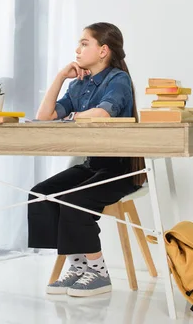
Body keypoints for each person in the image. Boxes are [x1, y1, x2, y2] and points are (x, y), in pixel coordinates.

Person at [28, 22, 146, 297]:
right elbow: (44, 117)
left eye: (84, 43)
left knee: (74, 199)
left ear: (103, 50)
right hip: (93, 165)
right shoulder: (79, 85)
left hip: (121, 169)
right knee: (42, 194)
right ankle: (79, 266)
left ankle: (99, 272)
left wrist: (73, 117)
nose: (77, 49)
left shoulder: (118, 79)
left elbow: (104, 114)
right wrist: (60, 77)